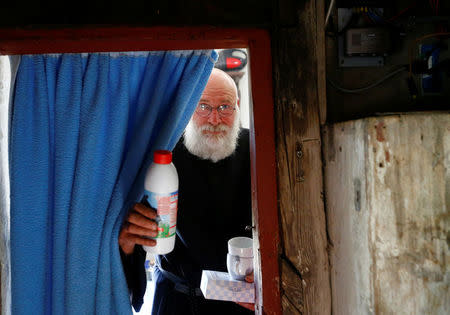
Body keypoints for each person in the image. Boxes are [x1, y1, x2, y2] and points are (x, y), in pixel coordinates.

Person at [119, 68, 254, 315]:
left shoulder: (257, 150)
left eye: (224, 107)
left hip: (242, 302)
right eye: (203, 107)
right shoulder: (165, 156)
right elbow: (136, 237)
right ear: (188, 107)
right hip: (178, 301)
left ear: (237, 105)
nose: (214, 119)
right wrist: (127, 241)